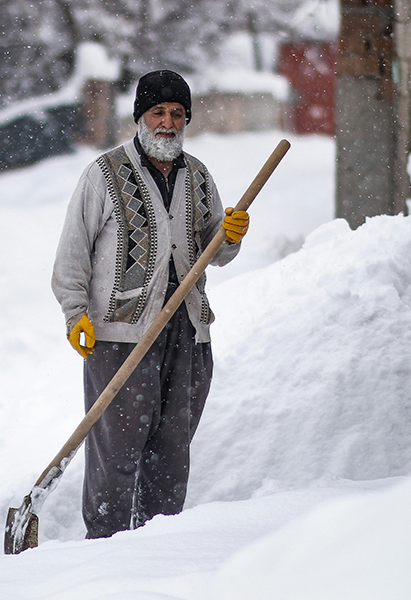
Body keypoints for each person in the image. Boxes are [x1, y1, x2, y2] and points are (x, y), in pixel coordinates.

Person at [51, 69, 250, 539]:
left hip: (187, 333)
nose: (168, 122)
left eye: (178, 114)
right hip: (121, 337)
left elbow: (213, 252)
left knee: (171, 453)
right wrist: (74, 313)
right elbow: (73, 251)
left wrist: (230, 237)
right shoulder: (104, 173)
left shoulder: (199, 176)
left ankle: (156, 551)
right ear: (140, 117)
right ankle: (103, 549)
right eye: (158, 112)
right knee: (116, 455)